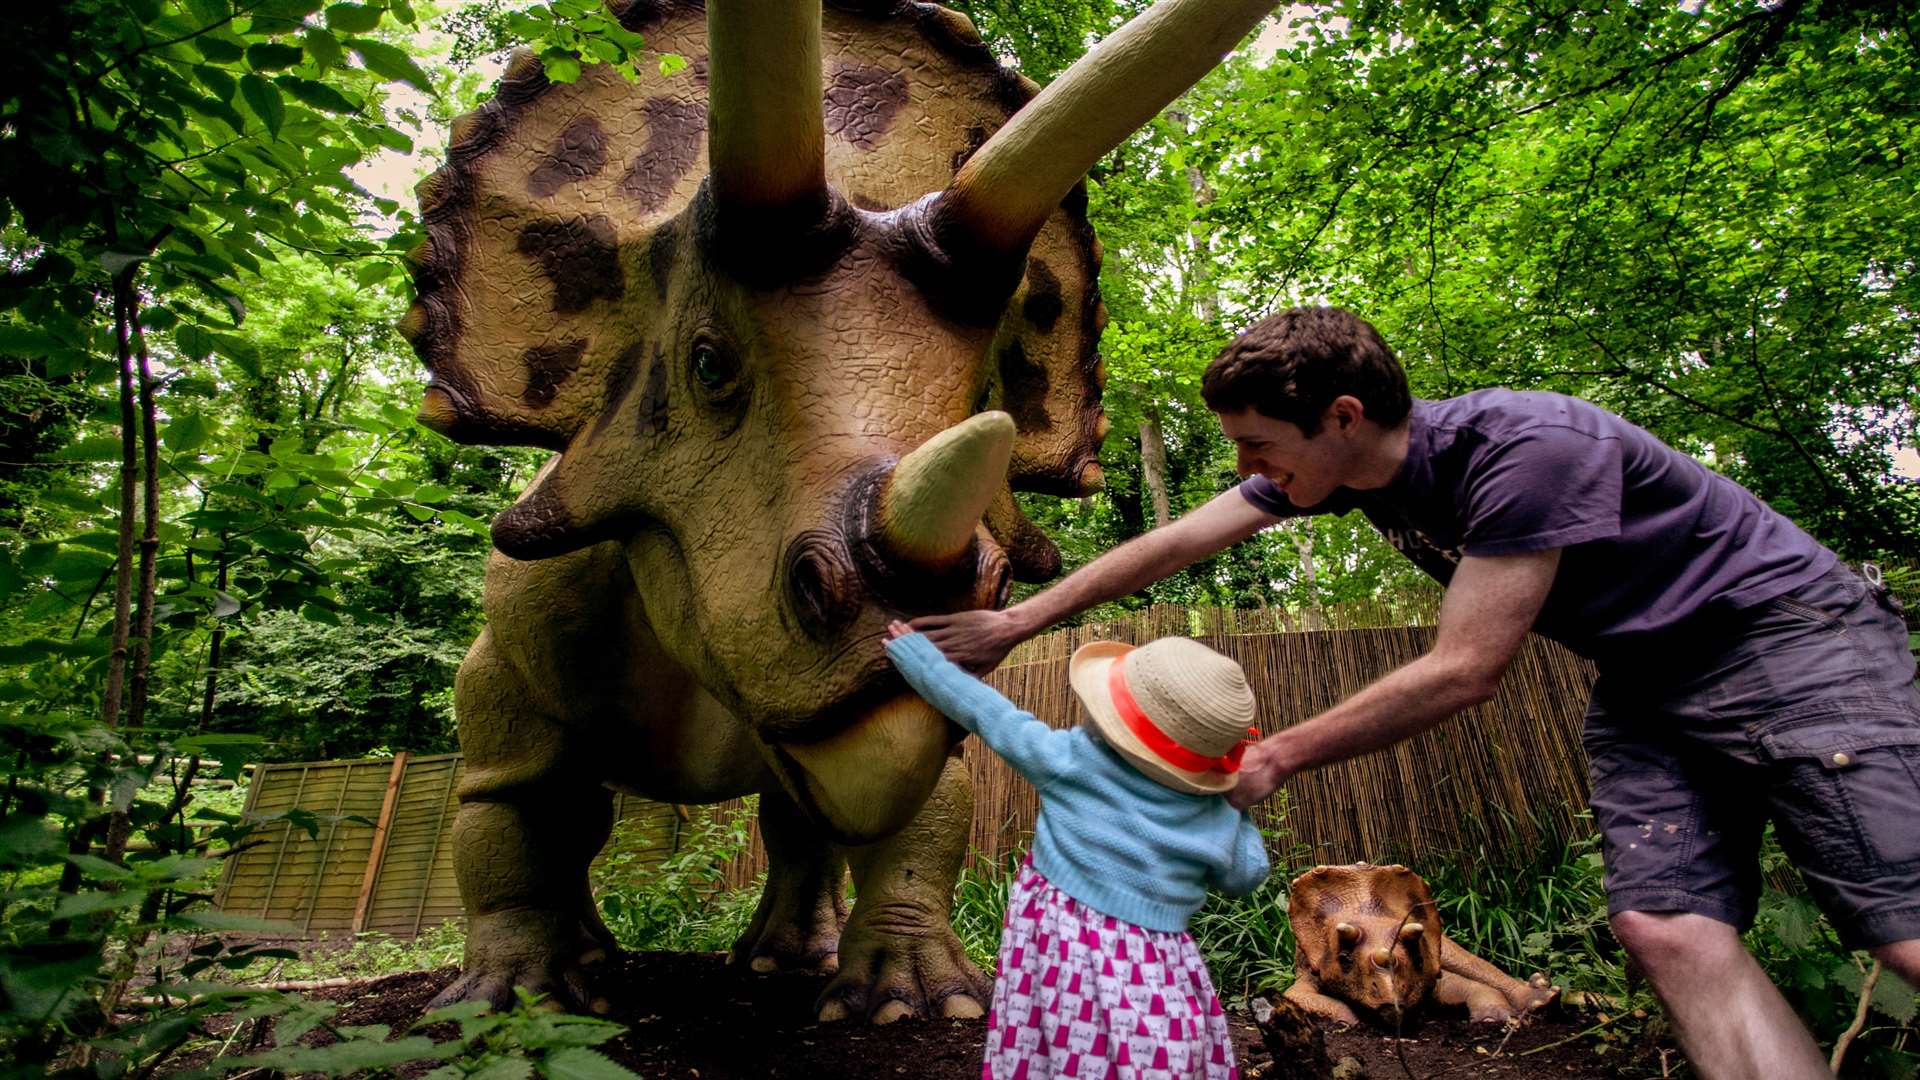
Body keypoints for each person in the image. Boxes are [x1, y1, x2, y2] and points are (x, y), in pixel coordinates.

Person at [911, 306, 1920, 1079]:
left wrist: (1277, 753)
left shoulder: (1527, 453)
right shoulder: (1333, 474)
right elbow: (1170, 543)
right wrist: (1013, 625)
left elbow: (1466, 671)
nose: (1245, 468)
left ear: (1342, 419)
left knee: (1898, 922)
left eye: (1259, 445)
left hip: (1792, 645)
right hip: (1652, 682)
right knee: (1666, 927)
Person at [885, 620, 1268, 1080]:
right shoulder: (1216, 812)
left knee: (1058, 1045)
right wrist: (1238, 807)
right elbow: (1247, 874)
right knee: (1156, 1049)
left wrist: (919, 659)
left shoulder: (1072, 762)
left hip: (1061, 952)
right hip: (1159, 962)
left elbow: (985, 711)